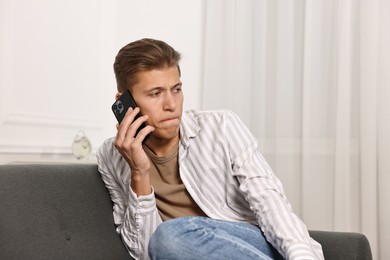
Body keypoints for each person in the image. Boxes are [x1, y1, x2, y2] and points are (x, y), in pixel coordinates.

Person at [97, 38, 324, 260]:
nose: (171, 105)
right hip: (179, 251)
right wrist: (139, 172)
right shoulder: (111, 157)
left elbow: (269, 200)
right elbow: (144, 251)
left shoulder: (221, 126)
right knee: (166, 238)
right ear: (124, 102)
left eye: (176, 89)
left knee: (170, 234)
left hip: (247, 244)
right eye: (156, 94)